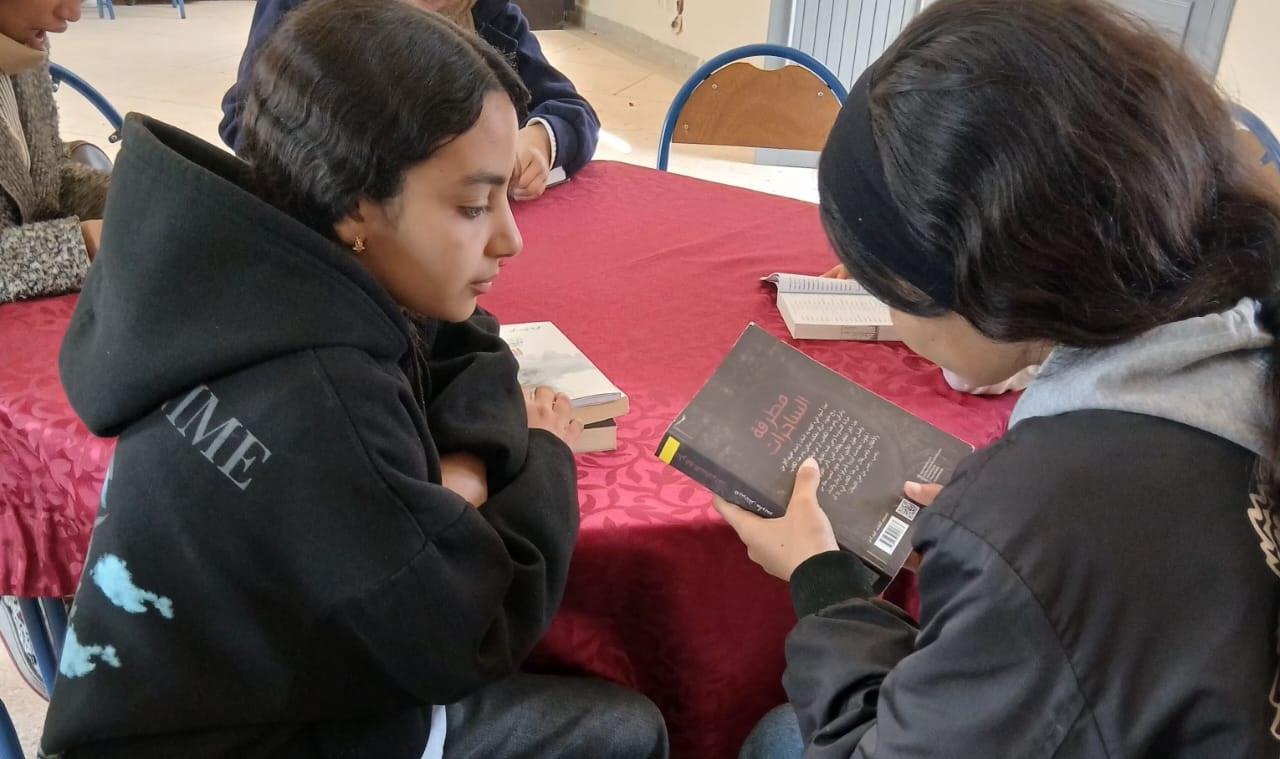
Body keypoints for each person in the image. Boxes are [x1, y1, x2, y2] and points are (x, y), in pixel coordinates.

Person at [40, 1, 666, 757]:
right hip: (264, 736)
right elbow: (466, 634)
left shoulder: (249, 273)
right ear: (354, 207)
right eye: (473, 205)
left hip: (154, 711)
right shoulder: (321, 400)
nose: (510, 237)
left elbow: (467, 337)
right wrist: (545, 459)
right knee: (630, 729)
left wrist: (465, 467)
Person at [722, 0, 1280, 756]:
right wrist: (996, 541)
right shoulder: (1243, 302)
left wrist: (824, 585)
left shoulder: (1051, 520)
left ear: (984, 286)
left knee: (779, 738)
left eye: (881, 285)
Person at [218, 0, 599, 202]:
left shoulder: (488, 16)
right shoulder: (303, 11)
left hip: (452, 243)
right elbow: (245, 119)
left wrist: (540, 140)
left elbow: (571, 109)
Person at [0, 0, 109, 305]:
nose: (72, 14)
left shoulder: (21, 46)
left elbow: (45, 176)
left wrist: (124, 196)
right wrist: (80, 243)